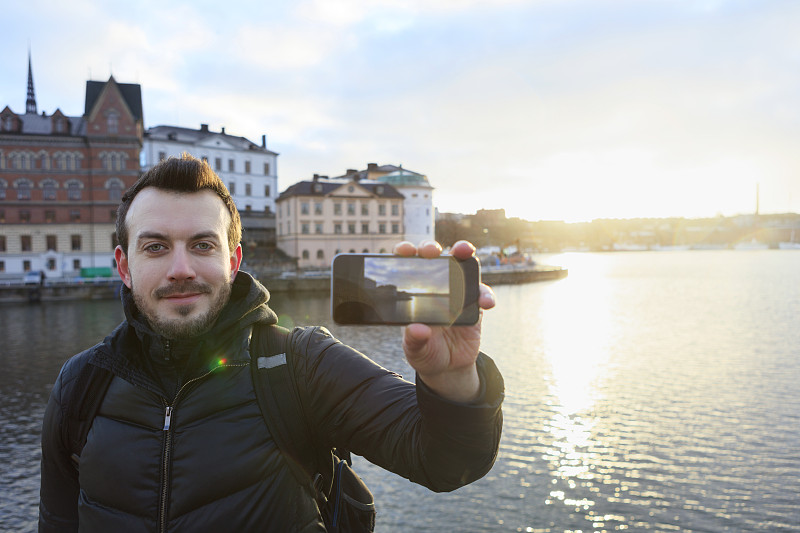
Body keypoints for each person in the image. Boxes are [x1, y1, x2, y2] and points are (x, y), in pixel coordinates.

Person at [39, 154, 504, 532]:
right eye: (156, 247)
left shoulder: (300, 365)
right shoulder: (81, 385)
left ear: (234, 259)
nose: (181, 268)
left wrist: (453, 379)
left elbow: (446, 462)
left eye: (202, 245)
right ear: (123, 265)